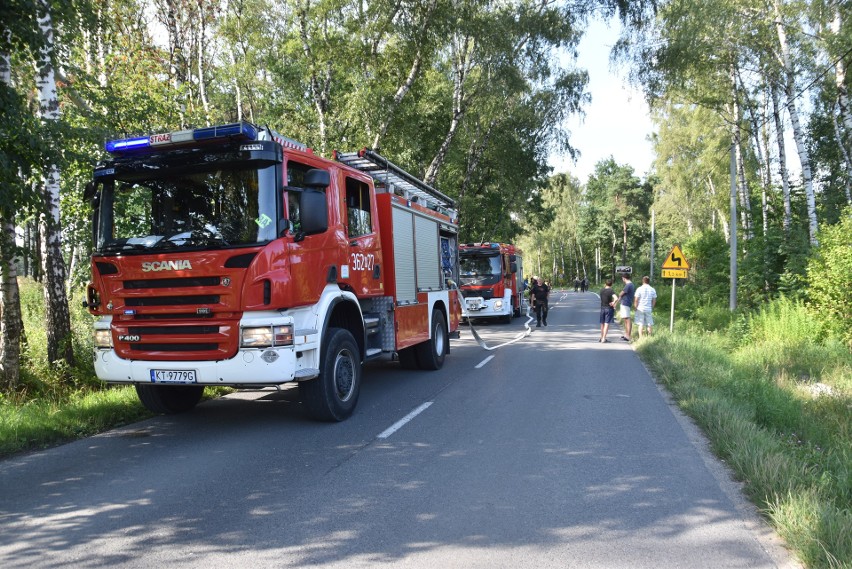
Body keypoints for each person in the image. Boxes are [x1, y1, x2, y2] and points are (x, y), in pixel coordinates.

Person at [616, 272, 635, 341]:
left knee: (627, 319)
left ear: (624, 278)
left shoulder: (628, 285)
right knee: (625, 319)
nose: (622, 280)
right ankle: (626, 334)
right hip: (626, 303)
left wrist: (620, 294)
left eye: (622, 279)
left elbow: (621, 293)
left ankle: (628, 336)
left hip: (625, 303)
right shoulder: (631, 284)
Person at [599, 278, 616, 342]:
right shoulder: (611, 290)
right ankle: (604, 338)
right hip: (609, 308)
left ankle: (601, 337)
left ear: (605, 283)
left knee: (602, 323)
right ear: (611, 284)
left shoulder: (601, 290)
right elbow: (616, 298)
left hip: (602, 308)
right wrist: (613, 303)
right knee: (606, 323)